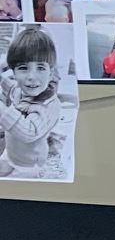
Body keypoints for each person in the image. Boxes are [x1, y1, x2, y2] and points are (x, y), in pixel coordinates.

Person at [0, 25, 67, 178]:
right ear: (14, 72)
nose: (31, 76)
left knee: (14, 191)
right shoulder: (21, 90)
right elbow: (12, 90)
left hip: (30, 165)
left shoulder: (49, 104)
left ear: (51, 73)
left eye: (40, 68)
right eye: (23, 68)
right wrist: (1, 80)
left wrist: (2, 109)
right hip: (10, 154)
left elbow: (29, 132)